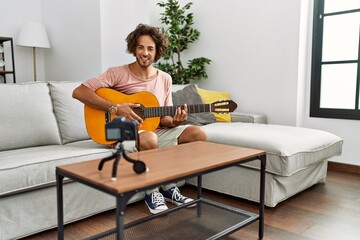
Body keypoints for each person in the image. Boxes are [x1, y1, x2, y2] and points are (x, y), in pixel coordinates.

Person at [72, 23, 207, 214]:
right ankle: (152, 193)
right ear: (134, 49)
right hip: (123, 132)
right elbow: (79, 92)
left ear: (157, 52)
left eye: (150, 48)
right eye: (140, 47)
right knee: (149, 137)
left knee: (197, 133)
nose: (145, 53)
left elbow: (164, 119)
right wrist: (116, 108)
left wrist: (175, 121)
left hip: (154, 131)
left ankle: (169, 187)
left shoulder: (165, 79)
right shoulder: (116, 73)